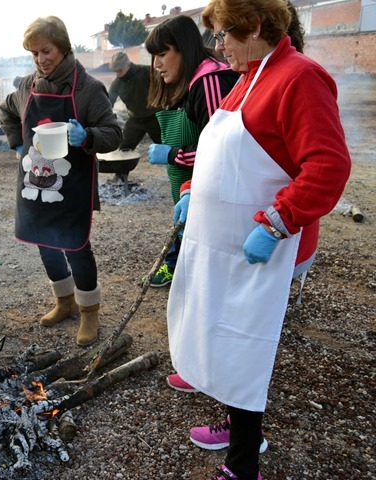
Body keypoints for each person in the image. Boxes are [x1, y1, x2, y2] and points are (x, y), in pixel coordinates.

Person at [167, 1, 351, 478]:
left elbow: (327, 167)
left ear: (252, 27)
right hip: (221, 242)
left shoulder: (300, 77)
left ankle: (243, 464)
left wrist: (277, 223)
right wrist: (191, 190)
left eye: (223, 34)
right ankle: (235, 420)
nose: (217, 45)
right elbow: (219, 151)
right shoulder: (248, 76)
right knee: (225, 334)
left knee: (244, 343)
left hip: (263, 247)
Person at [0, 16, 122, 346]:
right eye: (34, 53)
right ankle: (65, 302)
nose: (40, 60)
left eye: (46, 51)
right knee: (45, 241)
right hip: (34, 181)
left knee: (76, 247)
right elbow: (6, 111)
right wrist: (16, 144)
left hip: (73, 185)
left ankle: (89, 311)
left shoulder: (88, 89)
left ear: (64, 48)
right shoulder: (27, 86)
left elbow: (114, 134)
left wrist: (87, 136)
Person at [144, 15, 240, 288]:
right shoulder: (188, 81)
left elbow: (221, 151)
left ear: (184, 50)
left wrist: (172, 155)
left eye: (162, 54)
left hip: (210, 187)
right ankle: (176, 265)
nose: (156, 64)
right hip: (188, 185)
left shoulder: (209, 82)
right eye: (154, 56)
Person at [107, 51, 162, 150]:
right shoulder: (116, 84)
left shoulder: (146, 71)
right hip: (135, 120)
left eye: (119, 70)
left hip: (155, 118)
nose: (118, 74)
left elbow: (167, 86)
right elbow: (107, 103)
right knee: (123, 150)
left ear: (127, 65)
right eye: (115, 71)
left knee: (167, 148)